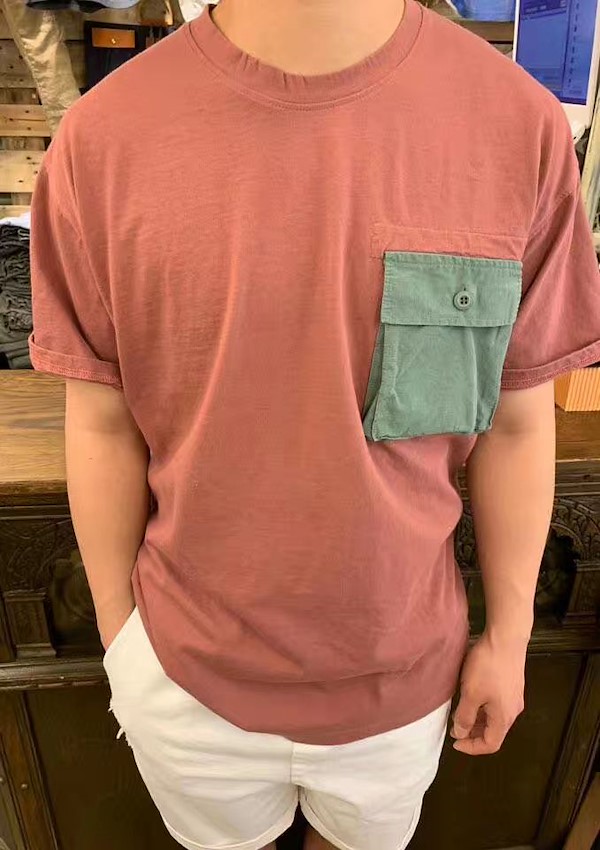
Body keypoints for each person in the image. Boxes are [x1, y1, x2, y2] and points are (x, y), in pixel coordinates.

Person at [28, 0, 600, 848]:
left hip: (406, 683)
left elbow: (516, 417)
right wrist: (123, 641)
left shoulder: (517, 128)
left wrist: (509, 638)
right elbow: (103, 416)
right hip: (182, 678)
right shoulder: (104, 139)